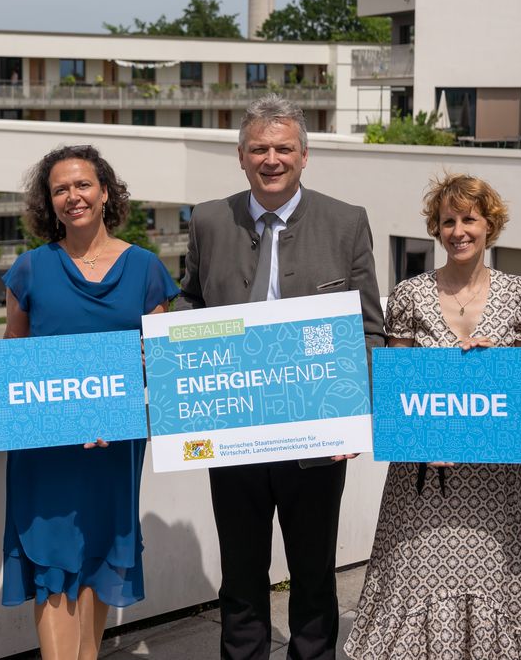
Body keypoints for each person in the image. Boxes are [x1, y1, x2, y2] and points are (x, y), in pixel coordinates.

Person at [177, 94, 384, 660]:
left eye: (284, 148)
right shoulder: (210, 219)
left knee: (314, 573)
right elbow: (193, 304)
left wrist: (351, 417)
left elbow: (370, 329)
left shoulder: (346, 222)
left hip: (316, 436)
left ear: (304, 156)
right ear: (241, 157)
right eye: (259, 149)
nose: (272, 159)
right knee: (241, 573)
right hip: (232, 432)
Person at [0, 144, 177, 660]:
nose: (73, 196)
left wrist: (121, 396)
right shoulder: (28, 269)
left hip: (114, 443)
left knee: (98, 558)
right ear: (48, 202)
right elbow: (16, 346)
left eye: (83, 185)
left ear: (106, 192)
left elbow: (158, 363)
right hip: (46, 448)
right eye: (60, 189)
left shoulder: (145, 269)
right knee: (53, 564)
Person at [345, 174, 521, 660]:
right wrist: (422, 442)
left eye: (469, 219)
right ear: (435, 228)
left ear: (490, 225)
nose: (458, 230)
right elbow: (395, 388)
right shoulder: (409, 294)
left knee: (490, 580)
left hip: (495, 482)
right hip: (423, 478)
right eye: (447, 220)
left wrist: (500, 361)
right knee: (413, 581)